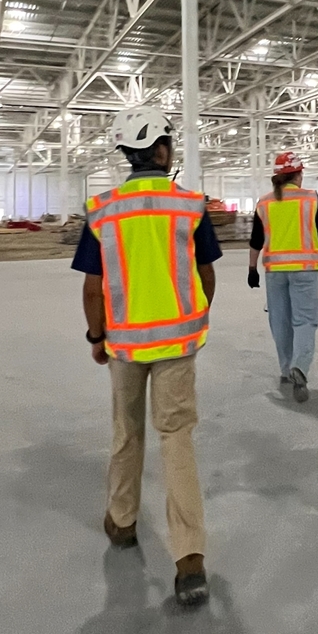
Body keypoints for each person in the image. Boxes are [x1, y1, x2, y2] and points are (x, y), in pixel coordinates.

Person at [71, 105, 223, 608]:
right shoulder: (190, 205)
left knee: (126, 431)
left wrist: (97, 335)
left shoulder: (104, 209)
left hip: (124, 346)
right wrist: (195, 318)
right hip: (178, 346)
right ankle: (189, 560)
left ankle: (122, 522)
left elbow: (94, 288)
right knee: (176, 438)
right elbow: (206, 277)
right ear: (162, 149)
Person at [247, 151, 318, 403]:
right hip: (305, 270)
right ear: (298, 174)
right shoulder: (310, 198)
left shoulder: (264, 203)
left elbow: (255, 240)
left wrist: (252, 269)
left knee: (280, 321)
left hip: (275, 273)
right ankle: (300, 367)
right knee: (304, 320)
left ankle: (286, 370)